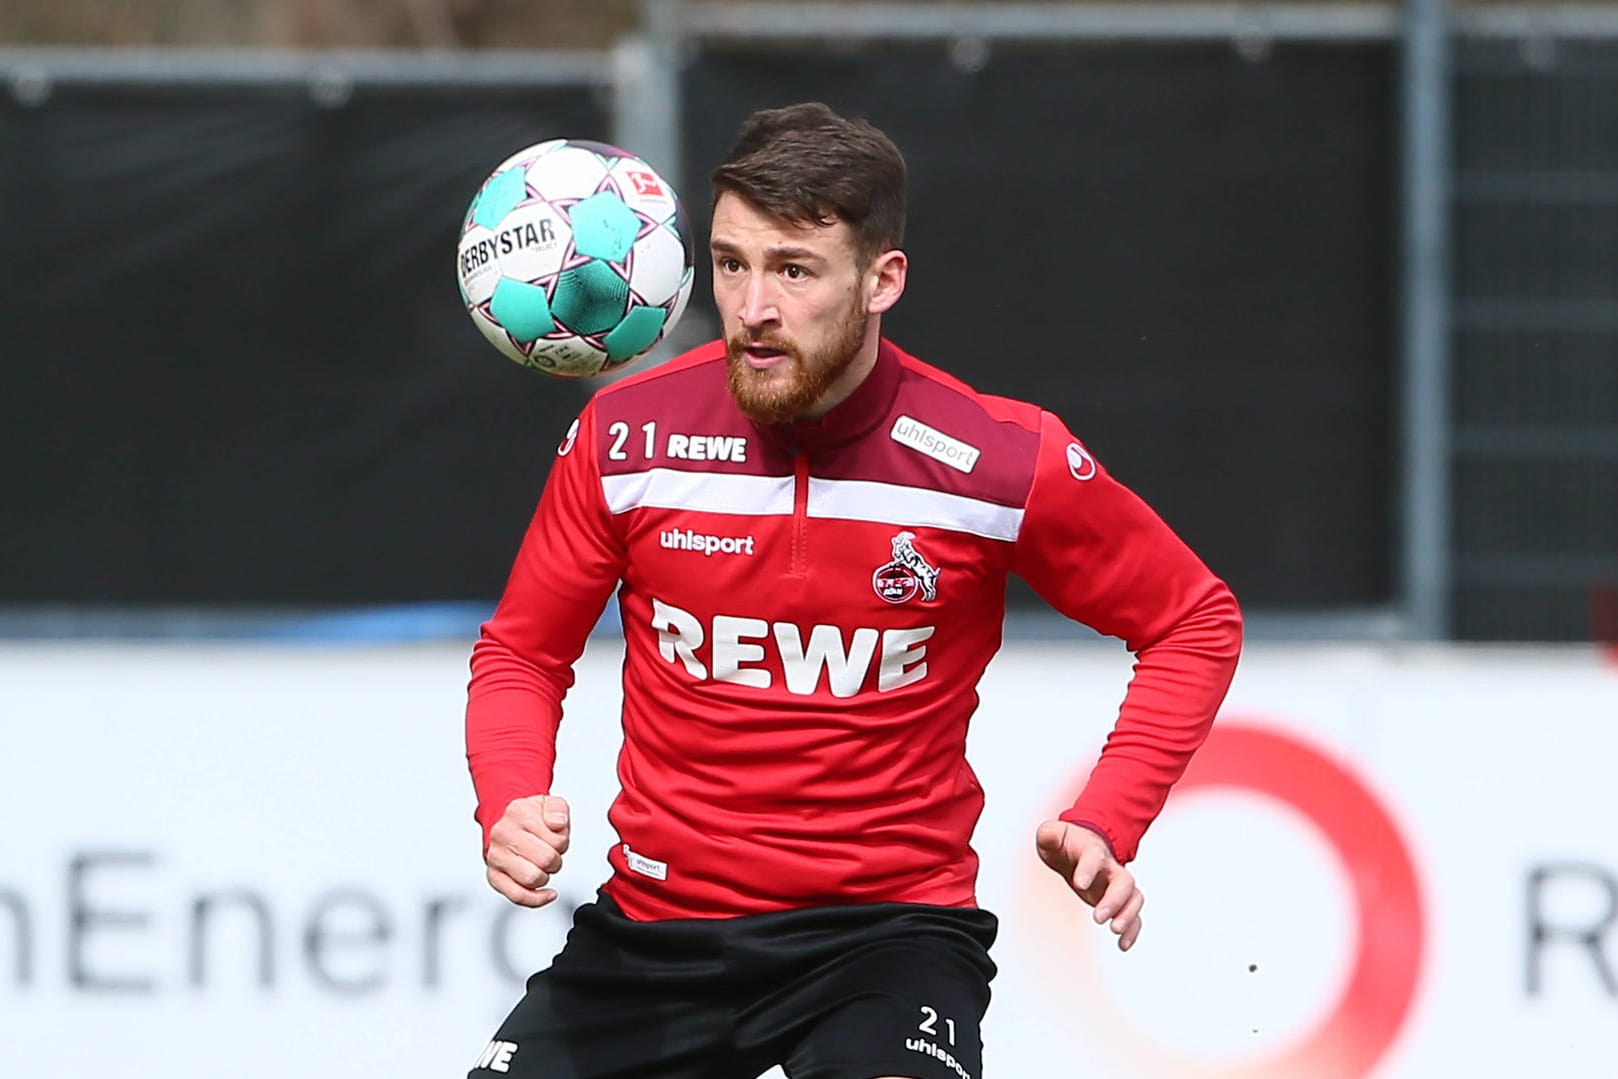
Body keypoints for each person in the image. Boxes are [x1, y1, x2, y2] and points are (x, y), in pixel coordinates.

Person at [463, 102, 1242, 1079]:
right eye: (732, 262)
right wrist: (509, 796)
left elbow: (1191, 620)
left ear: (882, 280)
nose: (752, 306)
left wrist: (1107, 813)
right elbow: (522, 651)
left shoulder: (998, 460)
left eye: (792, 269)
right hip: (654, 938)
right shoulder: (625, 436)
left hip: (887, 940)